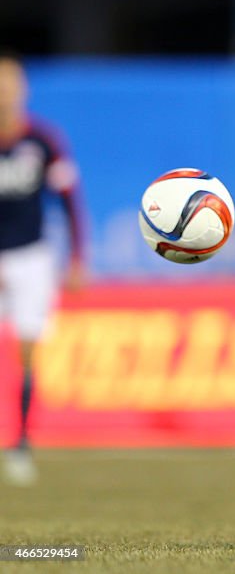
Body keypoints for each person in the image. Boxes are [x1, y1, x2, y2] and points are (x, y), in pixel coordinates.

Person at [0, 52, 86, 486]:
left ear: (23, 90)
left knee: (27, 352)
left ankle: (21, 445)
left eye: (11, 82)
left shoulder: (43, 141)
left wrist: (77, 258)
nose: (4, 91)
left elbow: (70, 199)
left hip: (31, 256)